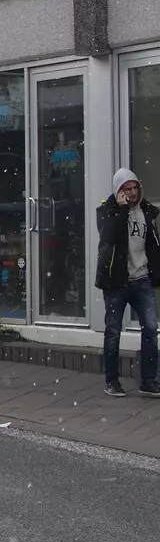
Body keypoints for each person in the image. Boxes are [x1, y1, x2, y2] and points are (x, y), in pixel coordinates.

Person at [96, 167, 160, 397]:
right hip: (117, 282)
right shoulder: (107, 211)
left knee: (151, 328)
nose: (132, 193)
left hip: (141, 279)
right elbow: (108, 237)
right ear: (118, 191)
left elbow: (152, 245)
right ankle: (111, 381)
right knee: (113, 330)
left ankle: (149, 380)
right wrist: (122, 210)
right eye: (127, 189)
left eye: (135, 188)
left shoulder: (147, 211)